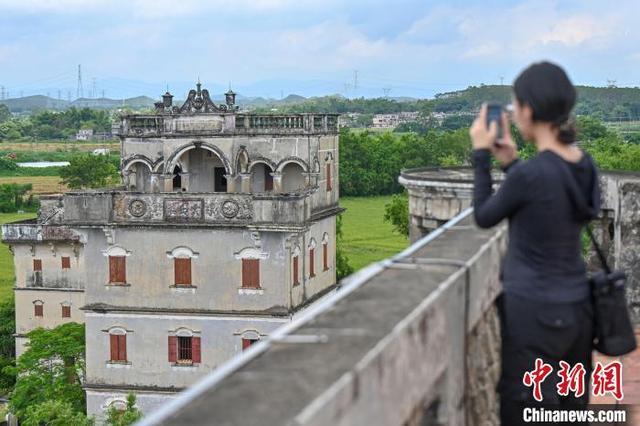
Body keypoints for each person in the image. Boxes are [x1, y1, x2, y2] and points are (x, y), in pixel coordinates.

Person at [469, 61, 601, 425]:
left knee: (526, 409)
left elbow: (484, 215)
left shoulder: (531, 175)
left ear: (527, 110)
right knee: (570, 408)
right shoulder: (584, 165)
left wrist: (482, 156)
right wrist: (511, 163)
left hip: (533, 314)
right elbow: (551, 201)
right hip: (577, 308)